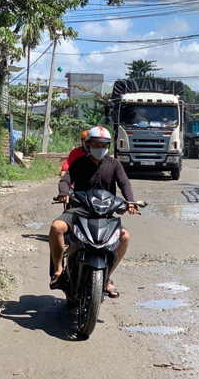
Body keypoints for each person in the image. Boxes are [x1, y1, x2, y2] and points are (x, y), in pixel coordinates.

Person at [49, 126, 138, 298]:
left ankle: (107, 278)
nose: (100, 149)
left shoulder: (114, 164)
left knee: (124, 236)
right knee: (56, 227)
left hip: (105, 214)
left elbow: (125, 183)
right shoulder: (79, 163)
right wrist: (64, 193)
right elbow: (65, 180)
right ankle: (59, 271)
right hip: (79, 211)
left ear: (108, 147)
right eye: (96, 145)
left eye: (104, 145)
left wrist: (131, 202)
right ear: (88, 145)